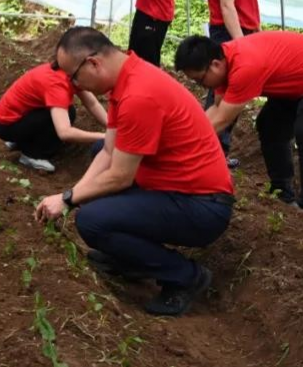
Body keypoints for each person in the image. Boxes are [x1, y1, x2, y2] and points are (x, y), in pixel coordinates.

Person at [35, 27, 234, 317]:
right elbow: (107, 151)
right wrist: (72, 196)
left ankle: (185, 276)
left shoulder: (139, 96)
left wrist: (67, 199)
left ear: (93, 63)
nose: (74, 84)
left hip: (202, 206)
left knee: (92, 221)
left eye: (74, 76)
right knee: (96, 165)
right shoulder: (127, 77)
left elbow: (119, 177)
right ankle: (130, 258)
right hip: (177, 189)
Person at [176, 32, 303, 206]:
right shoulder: (224, 61)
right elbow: (216, 109)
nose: (201, 86)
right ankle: (283, 193)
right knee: (270, 124)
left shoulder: (245, 67)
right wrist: (181, 134)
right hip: (293, 85)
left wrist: (177, 147)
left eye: (200, 80)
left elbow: (222, 120)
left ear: (214, 64)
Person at [203, 0, 265, 169]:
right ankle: (210, 151)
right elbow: (227, 7)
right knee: (224, 96)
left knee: (229, 94)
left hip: (242, 32)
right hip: (229, 34)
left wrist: (258, 34)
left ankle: (214, 151)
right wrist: (243, 45)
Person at [0, 62, 108, 172]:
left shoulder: (67, 71)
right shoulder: (58, 85)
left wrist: (112, 126)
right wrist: (104, 136)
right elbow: (65, 133)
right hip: (8, 126)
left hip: (14, 118)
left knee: (67, 111)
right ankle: (32, 155)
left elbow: (92, 104)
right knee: (66, 114)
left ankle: (22, 141)